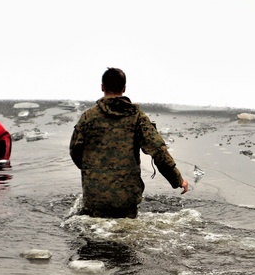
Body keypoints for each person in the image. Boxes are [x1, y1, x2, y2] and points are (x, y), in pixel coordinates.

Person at [69, 67, 189, 218]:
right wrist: (178, 180)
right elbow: (158, 151)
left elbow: (74, 150)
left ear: (102, 87)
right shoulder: (136, 117)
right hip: (125, 200)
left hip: (94, 198)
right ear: (124, 88)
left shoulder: (88, 117)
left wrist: (93, 170)